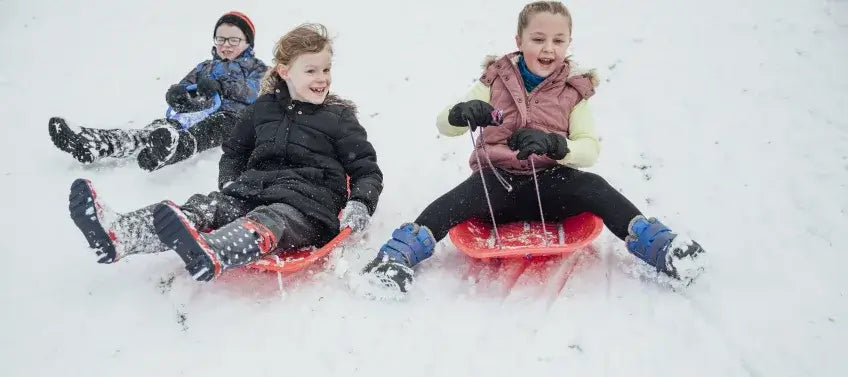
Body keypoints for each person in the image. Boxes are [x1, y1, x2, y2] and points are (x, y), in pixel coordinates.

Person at [362, 1, 706, 293]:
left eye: (558, 40)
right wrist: (460, 114)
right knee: (457, 200)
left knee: (594, 187)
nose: (548, 49)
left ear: (569, 43)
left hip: (550, 185)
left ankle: (658, 245)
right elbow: (443, 126)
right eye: (538, 39)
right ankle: (399, 254)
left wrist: (557, 145)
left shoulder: (573, 92)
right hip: (497, 183)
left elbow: (590, 150)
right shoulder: (494, 80)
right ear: (519, 40)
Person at [65, 23, 383, 282]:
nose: (322, 78)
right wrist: (230, 181)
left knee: (272, 218)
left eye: (326, 69)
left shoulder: (339, 118)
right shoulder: (262, 110)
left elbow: (366, 170)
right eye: (311, 70)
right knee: (207, 207)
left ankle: (215, 250)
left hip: (306, 209)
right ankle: (121, 233)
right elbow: (234, 151)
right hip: (251, 192)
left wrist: (360, 203)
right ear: (285, 72)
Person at [49, 11, 268, 172]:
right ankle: (95, 142)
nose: (225, 45)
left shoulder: (257, 68)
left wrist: (223, 86)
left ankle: (171, 150)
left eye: (233, 40)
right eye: (220, 39)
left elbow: (254, 90)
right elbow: (186, 84)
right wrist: (178, 94)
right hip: (193, 113)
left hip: (231, 118)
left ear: (247, 42)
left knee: (214, 127)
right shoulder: (205, 66)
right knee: (158, 129)